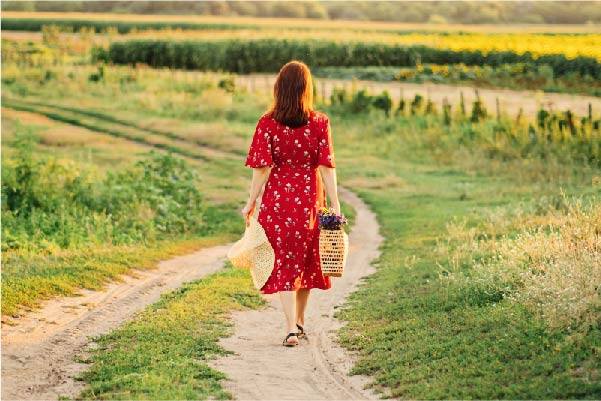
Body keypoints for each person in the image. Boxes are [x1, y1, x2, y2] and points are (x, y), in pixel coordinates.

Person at [241, 60, 340, 347]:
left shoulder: (267, 123)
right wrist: (335, 204)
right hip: (310, 200)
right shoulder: (320, 122)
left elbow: (261, 169)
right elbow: (326, 167)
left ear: (279, 88)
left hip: (278, 200)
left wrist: (251, 201)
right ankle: (298, 321)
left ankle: (290, 328)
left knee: (283, 261)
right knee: (307, 260)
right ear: (306, 89)